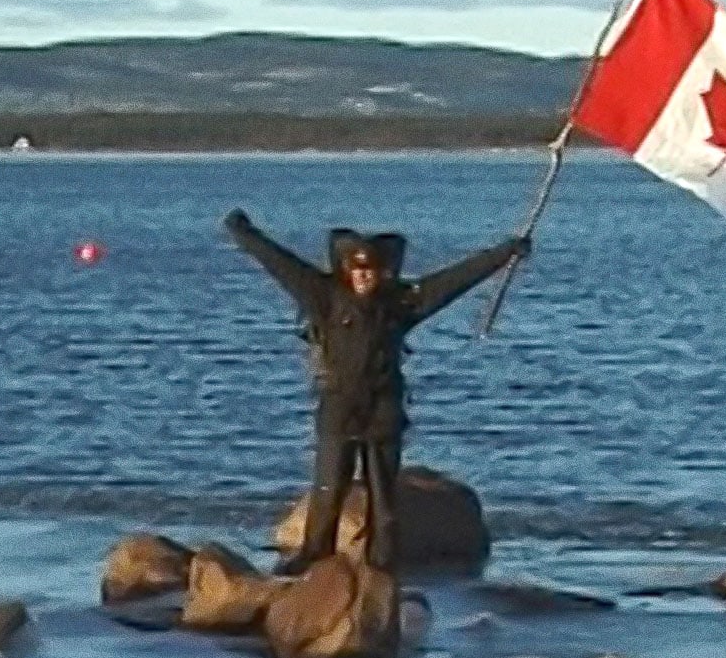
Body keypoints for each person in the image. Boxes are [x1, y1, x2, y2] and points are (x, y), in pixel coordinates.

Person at [224, 209, 528, 573]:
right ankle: (314, 557)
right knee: (328, 489)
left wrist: (506, 252)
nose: (364, 277)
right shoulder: (324, 296)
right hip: (339, 409)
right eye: (357, 269)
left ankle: (381, 563)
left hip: (383, 413)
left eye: (370, 270)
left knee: (383, 498)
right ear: (346, 270)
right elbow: (280, 263)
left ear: (382, 270)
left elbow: (453, 281)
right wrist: (244, 233)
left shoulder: (400, 303)